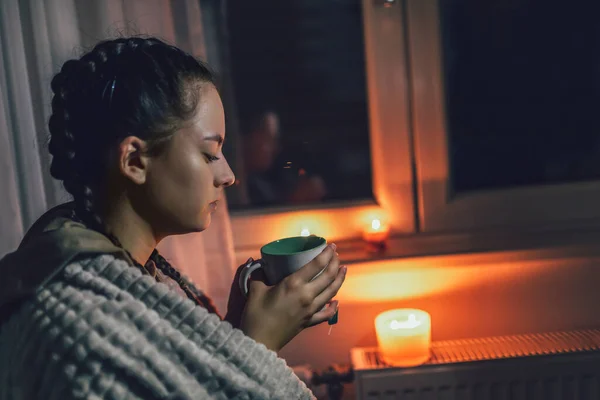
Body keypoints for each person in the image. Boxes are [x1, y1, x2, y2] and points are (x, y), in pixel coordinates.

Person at [0, 37, 346, 399]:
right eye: (210, 154)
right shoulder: (75, 323)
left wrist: (236, 336)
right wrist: (258, 345)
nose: (228, 175)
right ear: (134, 161)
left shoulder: (127, 271)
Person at [240, 110, 327, 207]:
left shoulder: (258, 185)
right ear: (250, 137)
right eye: (269, 139)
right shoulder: (233, 188)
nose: (275, 148)